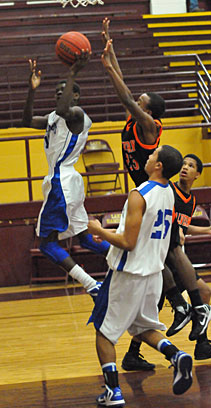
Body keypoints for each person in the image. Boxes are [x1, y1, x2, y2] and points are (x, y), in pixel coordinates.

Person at [101, 19, 211, 368]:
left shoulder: (149, 126)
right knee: (158, 254)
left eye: (141, 100)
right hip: (146, 189)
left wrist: (107, 68)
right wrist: (111, 51)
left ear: (147, 111)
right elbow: (128, 94)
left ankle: (195, 303)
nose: (137, 99)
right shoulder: (139, 118)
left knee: (170, 247)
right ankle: (178, 307)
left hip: (155, 190)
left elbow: (122, 94)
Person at [88, 145, 193, 407]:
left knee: (103, 331)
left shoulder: (139, 194)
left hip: (128, 274)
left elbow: (129, 241)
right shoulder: (169, 191)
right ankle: (176, 355)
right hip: (153, 274)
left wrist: (99, 229)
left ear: (158, 165)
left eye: (152, 155)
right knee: (144, 327)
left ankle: (113, 391)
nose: (148, 157)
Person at [22, 55, 109, 299]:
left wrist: (72, 73)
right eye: (57, 91)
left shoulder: (77, 113)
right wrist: (31, 90)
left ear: (76, 95)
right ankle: (125, 258)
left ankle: (91, 284)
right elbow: (26, 120)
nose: (60, 94)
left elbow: (64, 108)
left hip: (62, 180)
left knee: (47, 244)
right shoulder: (54, 117)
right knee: (84, 237)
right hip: (65, 181)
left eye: (65, 90)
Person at [123, 154, 211, 372]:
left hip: (169, 257)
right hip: (161, 255)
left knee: (203, 291)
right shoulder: (168, 190)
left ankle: (202, 343)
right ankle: (132, 354)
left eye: (191, 166)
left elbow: (184, 225)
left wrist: (207, 230)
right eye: (183, 165)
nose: (185, 169)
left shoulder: (190, 200)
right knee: (153, 306)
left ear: (198, 174)